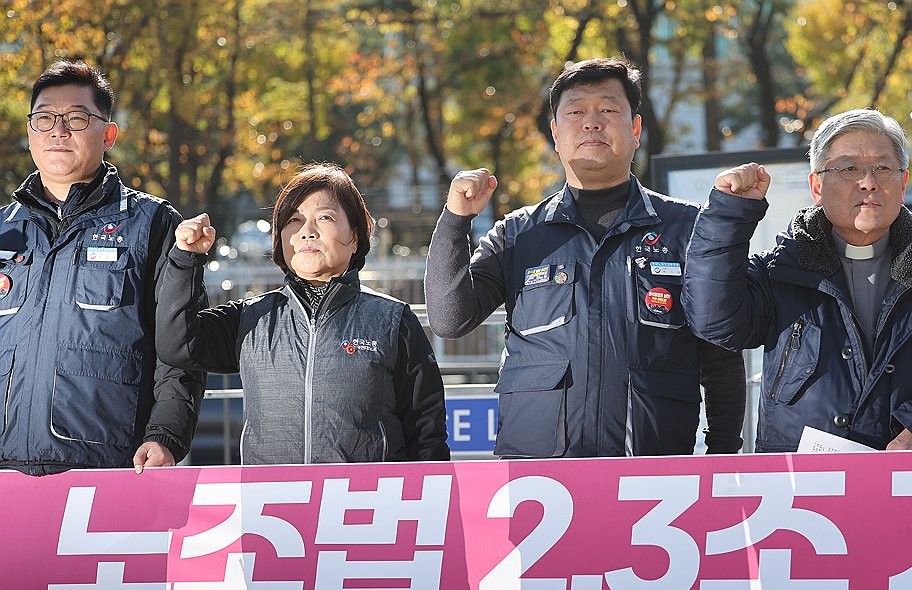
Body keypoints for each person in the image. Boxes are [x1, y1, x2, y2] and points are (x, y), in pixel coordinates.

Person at [424, 56, 745, 458]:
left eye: (609, 109)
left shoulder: (688, 229)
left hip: (655, 477)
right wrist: (456, 220)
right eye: (576, 112)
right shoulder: (518, 234)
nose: (592, 122)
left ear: (636, 128)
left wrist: (722, 458)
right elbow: (449, 318)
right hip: (536, 482)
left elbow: (721, 358)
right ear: (556, 133)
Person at [684, 108, 912, 451]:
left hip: (910, 483)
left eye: (883, 168)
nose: (868, 181)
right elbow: (713, 321)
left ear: (902, 184)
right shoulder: (782, 272)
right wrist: (729, 215)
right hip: (797, 489)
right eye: (849, 168)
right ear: (817, 186)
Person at [158, 163, 450, 463]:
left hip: (368, 505)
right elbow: (177, 345)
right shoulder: (250, 319)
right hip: (272, 505)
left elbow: (427, 435)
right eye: (294, 220)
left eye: (324, 217)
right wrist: (184, 260)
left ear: (355, 236)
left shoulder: (392, 320)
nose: (307, 232)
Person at [0, 60, 205, 475]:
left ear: (108, 134)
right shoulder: (4, 230)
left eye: (76, 118)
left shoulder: (151, 224)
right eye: (44, 119)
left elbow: (177, 349)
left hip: (108, 470)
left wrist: (165, 435)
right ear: (29, 132)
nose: (58, 130)